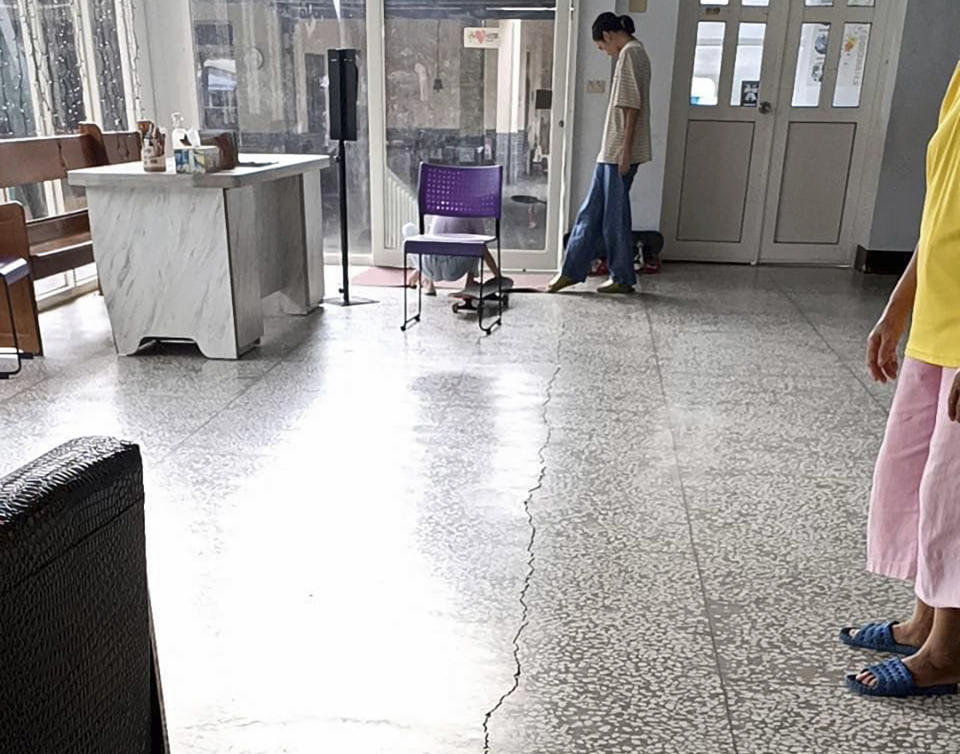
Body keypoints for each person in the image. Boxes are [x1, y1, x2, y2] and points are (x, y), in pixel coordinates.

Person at [842, 62, 960, 698]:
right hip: (940, 318)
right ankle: (924, 620)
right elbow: (942, 209)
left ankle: (949, 649)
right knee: (916, 474)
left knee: (956, 493)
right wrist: (898, 305)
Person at [547, 12, 651, 294]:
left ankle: (622, 277)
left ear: (607, 35)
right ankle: (570, 271)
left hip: (619, 151)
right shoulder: (633, 53)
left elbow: (632, 108)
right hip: (611, 150)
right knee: (591, 212)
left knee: (613, 217)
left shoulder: (631, 54)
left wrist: (625, 152)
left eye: (601, 47)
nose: (604, 52)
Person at [405, 217, 504, 295]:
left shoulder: (439, 208)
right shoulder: (474, 214)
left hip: (429, 267)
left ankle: (428, 282)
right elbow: (483, 250)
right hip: (452, 271)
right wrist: (498, 277)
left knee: (408, 229)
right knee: (477, 243)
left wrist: (420, 268)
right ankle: (470, 284)